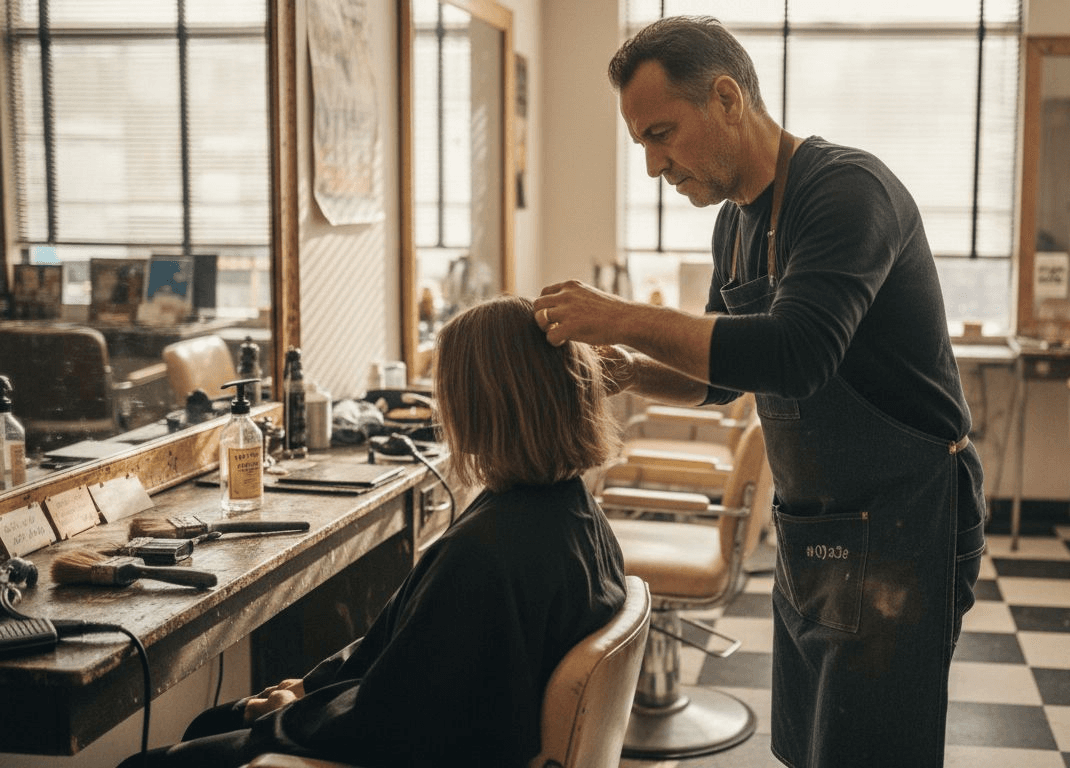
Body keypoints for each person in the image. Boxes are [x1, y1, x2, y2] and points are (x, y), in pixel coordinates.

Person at [532, 15, 985, 768]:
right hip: (818, 524)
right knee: (813, 747)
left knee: (873, 752)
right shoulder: (736, 225)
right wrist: (633, 371)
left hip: (906, 522)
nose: (653, 165)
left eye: (662, 133)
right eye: (642, 142)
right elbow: (735, 374)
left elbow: (798, 353)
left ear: (728, 98)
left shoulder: (847, 194)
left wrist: (622, 316)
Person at [118, 295, 627, 768]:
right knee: (212, 723)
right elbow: (404, 649)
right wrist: (310, 690)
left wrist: (286, 714)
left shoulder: (483, 556)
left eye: (446, 390)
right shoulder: (572, 510)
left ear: (481, 403)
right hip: (424, 725)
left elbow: (393, 724)